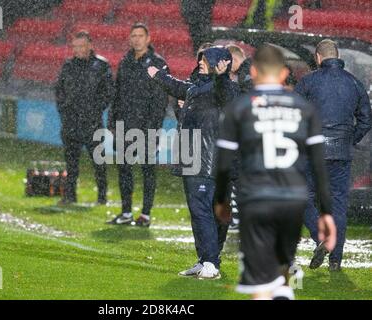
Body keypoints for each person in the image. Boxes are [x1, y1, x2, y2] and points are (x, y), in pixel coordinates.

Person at [214, 45, 337, 299]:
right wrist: (326, 212)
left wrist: (221, 200)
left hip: (257, 198)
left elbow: (224, 163)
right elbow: (318, 166)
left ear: (255, 72)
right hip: (292, 199)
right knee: (280, 270)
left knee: (260, 284)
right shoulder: (304, 108)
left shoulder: (240, 108)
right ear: (283, 74)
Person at [148, 46, 240, 279]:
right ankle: (204, 260)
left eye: (206, 59)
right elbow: (178, 87)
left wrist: (221, 76)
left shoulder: (226, 87)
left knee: (204, 212)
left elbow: (225, 94)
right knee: (199, 212)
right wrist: (158, 75)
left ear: (220, 63)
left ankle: (211, 262)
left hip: (208, 160)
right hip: (194, 159)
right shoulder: (198, 88)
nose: (200, 62)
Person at [295, 39, 371, 271]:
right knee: (338, 203)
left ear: (318, 58)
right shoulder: (354, 83)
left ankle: (321, 238)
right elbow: (366, 119)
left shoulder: (308, 81)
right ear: (337, 56)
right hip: (341, 152)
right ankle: (335, 259)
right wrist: (350, 139)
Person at [108, 23, 169, 227]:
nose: (136, 39)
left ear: (148, 38)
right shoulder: (125, 61)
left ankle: (145, 214)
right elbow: (117, 93)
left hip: (147, 127)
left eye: (140, 35)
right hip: (124, 125)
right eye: (133, 35)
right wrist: (112, 121)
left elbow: (161, 99)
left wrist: (154, 126)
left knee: (147, 170)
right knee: (124, 168)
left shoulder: (158, 63)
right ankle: (126, 212)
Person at [55, 31, 114, 205]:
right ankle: (69, 195)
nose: (78, 49)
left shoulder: (102, 66)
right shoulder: (68, 66)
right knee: (71, 162)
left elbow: (109, 92)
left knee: (98, 161)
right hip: (70, 122)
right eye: (75, 46)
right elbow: (59, 91)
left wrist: (95, 110)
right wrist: (64, 111)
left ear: (90, 45)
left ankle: (102, 197)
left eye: (81, 46)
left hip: (92, 123)